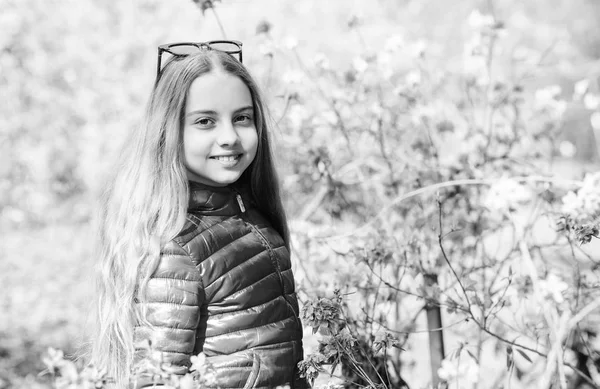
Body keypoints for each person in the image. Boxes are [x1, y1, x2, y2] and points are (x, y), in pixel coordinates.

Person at [91, 41, 308, 389]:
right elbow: (156, 379)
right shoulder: (175, 249)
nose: (229, 137)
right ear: (168, 131)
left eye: (242, 118)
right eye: (205, 121)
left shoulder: (247, 213)